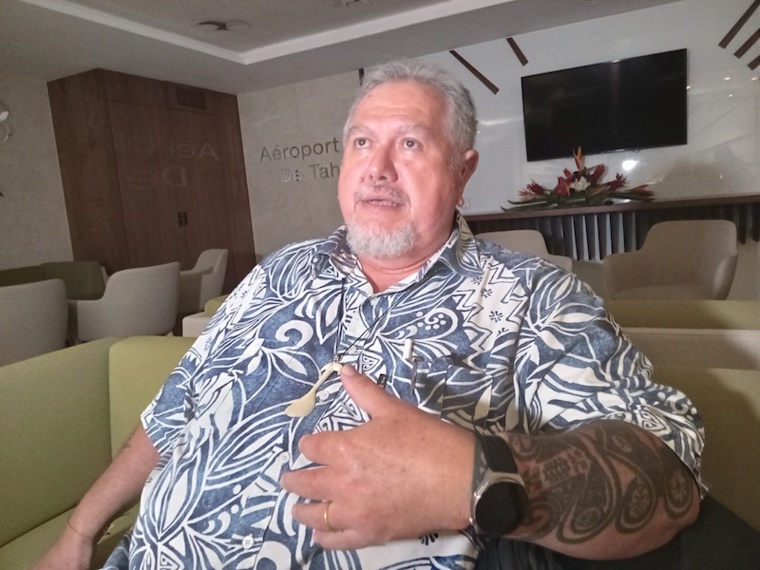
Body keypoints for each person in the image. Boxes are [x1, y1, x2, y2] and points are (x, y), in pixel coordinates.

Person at [35, 59, 703, 570]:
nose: (377, 168)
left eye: (410, 144)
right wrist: (79, 531)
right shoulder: (278, 271)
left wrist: (481, 478)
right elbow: (174, 409)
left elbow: (668, 470)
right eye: (361, 142)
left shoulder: (536, 298)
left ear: (463, 170)